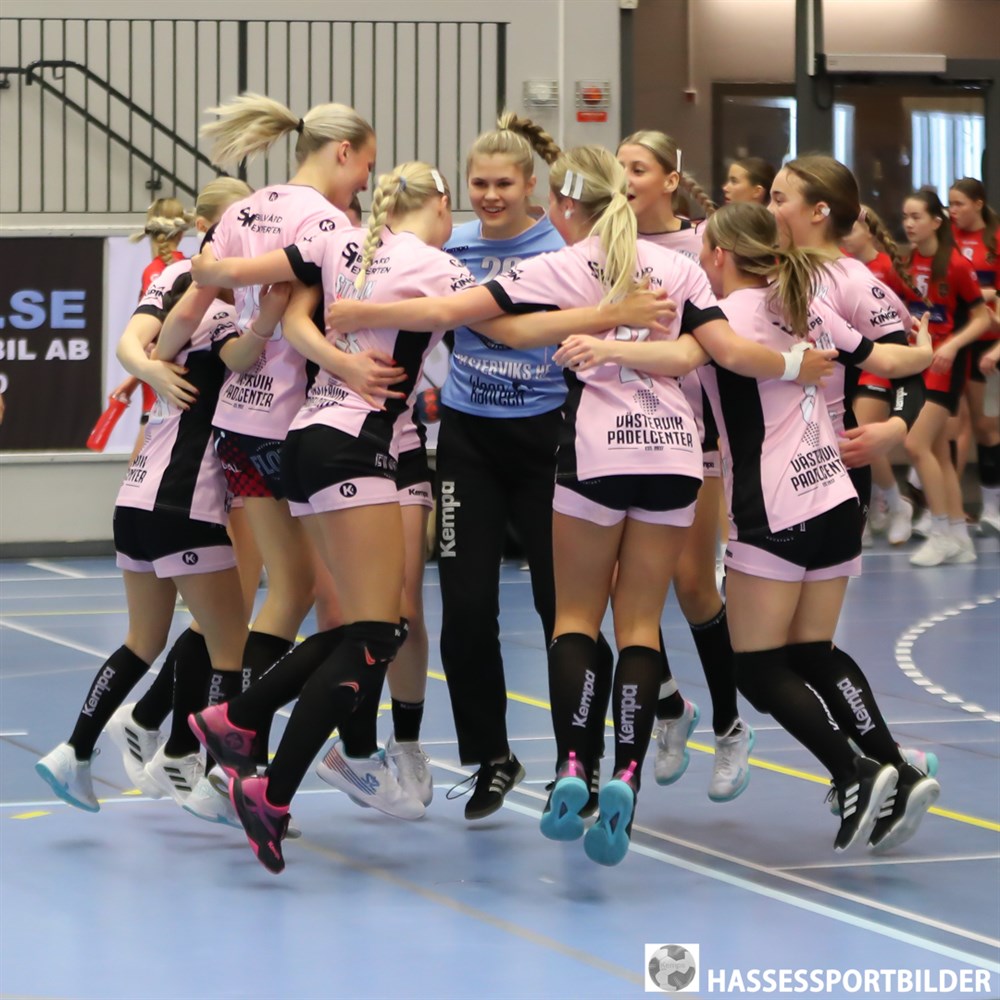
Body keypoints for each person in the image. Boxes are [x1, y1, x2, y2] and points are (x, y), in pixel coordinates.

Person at [323, 146, 837, 867]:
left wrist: (360, 311)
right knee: (639, 627)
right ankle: (626, 770)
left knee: (571, 619)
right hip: (673, 455)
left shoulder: (559, 264)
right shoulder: (679, 267)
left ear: (562, 204)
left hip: (594, 452)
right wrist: (792, 364)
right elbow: (715, 351)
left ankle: (573, 763)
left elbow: (452, 312)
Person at [189, 160, 674, 871]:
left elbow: (287, 310)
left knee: (365, 628)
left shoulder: (341, 241)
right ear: (443, 207)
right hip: (353, 444)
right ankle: (254, 749)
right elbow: (513, 332)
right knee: (375, 632)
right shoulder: (439, 267)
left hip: (307, 441)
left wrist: (329, 350)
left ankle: (245, 731)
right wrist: (613, 315)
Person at [695, 202, 941, 852]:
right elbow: (889, 362)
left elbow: (669, 362)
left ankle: (852, 771)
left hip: (774, 505)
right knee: (813, 652)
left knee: (755, 668)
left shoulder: (718, 320)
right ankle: (897, 769)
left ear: (719, 255)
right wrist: (928, 348)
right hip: (834, 494)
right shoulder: (806, 301)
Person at [160, 94, 381, 770]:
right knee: (349, 606)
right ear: (342, 151)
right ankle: (265, 748)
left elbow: (187, 313)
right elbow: (298, 312)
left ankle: (233, 756)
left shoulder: (241, 211)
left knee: (290, 588)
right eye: (366, 166)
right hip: (293, 426)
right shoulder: (326, 222)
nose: (365, 183)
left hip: (236, 423)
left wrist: (158, 359)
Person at [35, 271, 288, 821]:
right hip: (184, 504)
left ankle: (74, 751)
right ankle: (216, 783)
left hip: (134, 502)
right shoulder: (217, 319)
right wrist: (272, 311)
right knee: (230, 648)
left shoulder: (167, 345)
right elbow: (242, 354)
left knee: (142, 641)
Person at [618, 129, 751, 800]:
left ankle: (730, 727)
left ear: (670, 180)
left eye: (638, 168)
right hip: (619, 435)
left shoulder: (702, 245)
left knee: (696, 585)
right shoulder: (607, 246)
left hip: (692, 436)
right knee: (622, 589)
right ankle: (671, 707)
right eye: (619, 167)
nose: (625, 178)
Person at [898, 189, 991, 566]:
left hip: (945, 369)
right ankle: (959, 538)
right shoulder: (906, 261)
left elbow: (983, 317)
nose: (908, 224)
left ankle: (939, 531)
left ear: (937, 222)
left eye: (916, 217)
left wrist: (952, 345)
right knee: (938, 453)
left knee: (915, 444)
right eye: (905, 217)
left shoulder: (954, 264)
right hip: (917, 364)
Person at [841, 205, 924, 546]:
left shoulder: (886, 268)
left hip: (882, 364)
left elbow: (912, 313)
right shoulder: (842, 266)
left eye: (853, 228)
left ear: (870, 232)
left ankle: (895, 504)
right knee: (853, 437)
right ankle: (878, 502)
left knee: (860, 435)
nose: (846, 234)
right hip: (853, 363)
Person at [949, 177, 1000, 534]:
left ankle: (992, 507)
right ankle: (945, 509)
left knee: (985, 426)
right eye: (949, 205)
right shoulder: (947, 239)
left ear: (978, 204)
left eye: (959, 204)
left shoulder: (994, 240)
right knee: (952, 423)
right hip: (955, 338)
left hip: (987, 342)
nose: (953, 211)